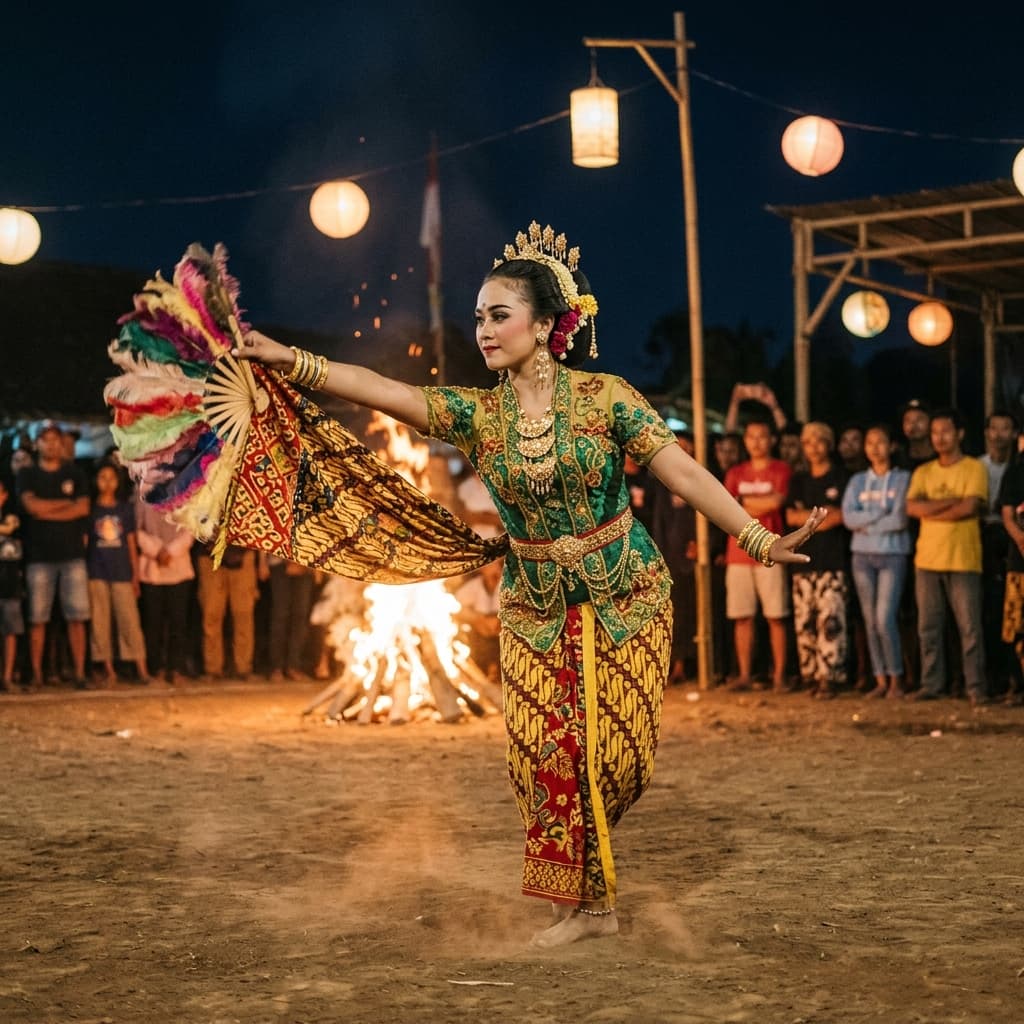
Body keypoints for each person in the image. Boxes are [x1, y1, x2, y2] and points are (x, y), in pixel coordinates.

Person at [233, 221, 824, 948]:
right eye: (478, 316)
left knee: (618, 758)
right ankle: (585, 908)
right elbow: (386, 391)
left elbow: (682, 471)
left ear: (545, 326)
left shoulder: (607, 399)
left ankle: (588, 889)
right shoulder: (479, 415)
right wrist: (291, 361)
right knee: (543, 756)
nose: (483, 330)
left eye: (499, 315)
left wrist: (756, 537)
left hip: (626, 596)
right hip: (535, 609)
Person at [905, 407, 989, 706]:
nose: (939, 437)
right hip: (927, 560)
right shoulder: (923, 472)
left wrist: (931, 509)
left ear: (960, 434)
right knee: (928, 628)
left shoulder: (974, 468)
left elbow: (970, 508)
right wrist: (952, 503)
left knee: (969, 629)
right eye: (935, 432)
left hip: (963, 559)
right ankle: (932, 684)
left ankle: (975, 687)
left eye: (946, 431)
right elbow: (912, 508)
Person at [15, 422, 91, 689]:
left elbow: (83, 508)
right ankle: (37, 675)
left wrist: (47, 509)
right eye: (45, 439)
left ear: (61, 443)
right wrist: (66, 505)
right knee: (38, 618)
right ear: (37, 444)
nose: (51, 444)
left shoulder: (75, 473)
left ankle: (79, 674)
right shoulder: (27, 474)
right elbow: (31, 507)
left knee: (77, 617)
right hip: (39, 557)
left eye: (55, 439)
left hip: (72, 555)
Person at [841, 423, 912, 699]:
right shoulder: (857, 481)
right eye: (869, 443)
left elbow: (900, 519)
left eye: (880, 442)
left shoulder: (902, 478)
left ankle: (896, 678)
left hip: (892, 554)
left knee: (885, 618)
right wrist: (879, 515)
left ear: (891, 446)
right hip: (862, 555)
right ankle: (880, 679)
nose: (875, 448)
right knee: (870, 620)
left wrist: (866, 523)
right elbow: (849, 518)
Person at [722, 418, 794, 693]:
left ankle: (779, 676)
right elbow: (726, 508)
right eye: (751, 436)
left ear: (772, 440)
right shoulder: (736, 472)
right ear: (745, 440)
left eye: (762, 436)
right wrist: (755, 505)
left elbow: (776, 502)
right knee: (742, 617)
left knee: (776, 616)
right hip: (738, 552)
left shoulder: (781, 469)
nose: (756, 442)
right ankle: (744, 675)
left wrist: (743, 503)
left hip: (770, 551)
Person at [784, 422, 851, 698]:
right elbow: (790, 517)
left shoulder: (841, 477)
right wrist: (821, 517)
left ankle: (830, 676)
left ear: (829, 444)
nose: (813, 447)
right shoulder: (798, 480)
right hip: (802, 563)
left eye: (818, 441)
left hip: (832, 561)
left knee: (831, 621)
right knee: (805, 622)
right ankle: (810, 674)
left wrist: (808, 519)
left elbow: (840, 516)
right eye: (807, 442)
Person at [86, 462, 150, 686]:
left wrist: (135, 574)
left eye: (111, 478)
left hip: (121, 571)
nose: (107, 482)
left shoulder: (124, 510)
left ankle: (141, 669)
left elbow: (131, 543)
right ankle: (108, 670)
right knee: (100, 622)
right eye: (102, 477)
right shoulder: (91, 510)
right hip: (97, 572)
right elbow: (86, 543)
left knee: (129, 620)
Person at [644, 430, 698, 684]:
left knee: (691, 611)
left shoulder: (700, 478)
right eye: (679, 446)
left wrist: (704, 545)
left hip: (693, 557)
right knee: (671, 612)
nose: (683, 451)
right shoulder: (660, 482)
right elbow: (657, 522)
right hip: (668, 557)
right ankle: (672, 664)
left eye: (688, 447)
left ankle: (687, 664)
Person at [136, 491, 196, 685]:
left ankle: (176, 668)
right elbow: (136, 530)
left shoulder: (185, 493)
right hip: (152, 568)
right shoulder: (143, 496)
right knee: (153, 623)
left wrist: (170, 551)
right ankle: (156, 668)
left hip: (178, 567)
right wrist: (156, 550)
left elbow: (191, 529)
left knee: (178, 623)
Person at [454, 556, 504, 681]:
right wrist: (478, 619)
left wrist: (499, 621)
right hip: (481, 635)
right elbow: (455, 606)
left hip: (503, 633)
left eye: (495, 564)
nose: (492, 568)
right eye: (488, 565)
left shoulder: (507, 583)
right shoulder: (475, 586)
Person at [0, 478, 25, 690]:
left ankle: (7, 676)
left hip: (9, 582)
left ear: (5, 495)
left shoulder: (13, 517)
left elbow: (10, 529)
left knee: (10, 630)